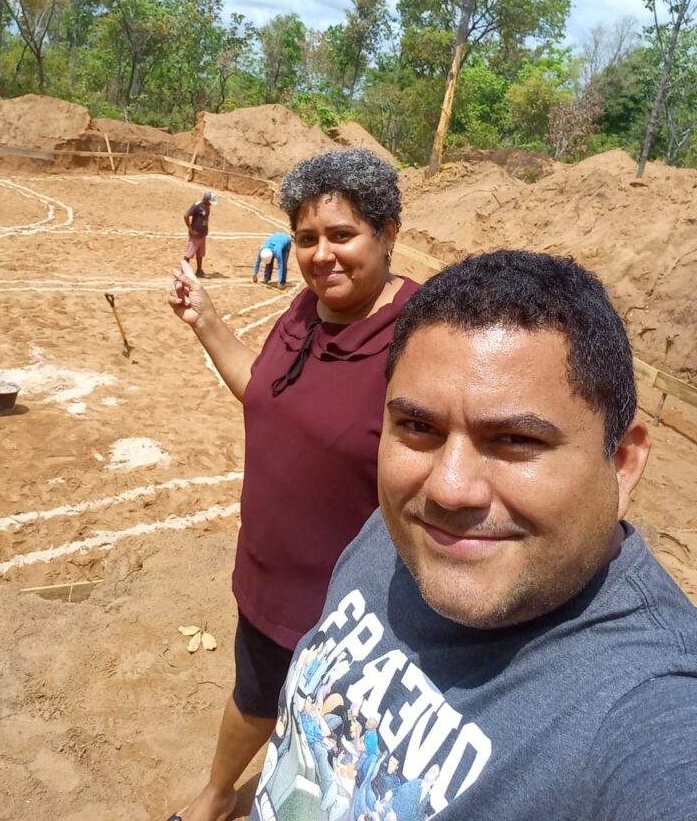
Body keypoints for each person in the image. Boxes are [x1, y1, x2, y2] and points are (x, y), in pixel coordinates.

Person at [252, 250, 697, 821]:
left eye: (514, 439)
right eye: (417, 427)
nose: (447, 487)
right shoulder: (406, 527)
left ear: (623, 462)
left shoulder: (650, 708)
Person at [166, 148, 420, 821]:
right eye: (307, 238)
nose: (321, 254)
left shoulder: (420, 337)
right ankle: (218, 797)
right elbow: (264, 393)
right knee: (255, 692)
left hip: (352, 607)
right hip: (269, 575)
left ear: (388, 233)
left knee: (337, 739)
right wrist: (207, 321)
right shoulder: (304, 311)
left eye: (342, 235)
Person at [184, 191, 216, 277]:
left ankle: (199, 271)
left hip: (202, 234)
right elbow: (186, 215)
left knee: (200, 254)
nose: (210, 204)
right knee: (189, 254)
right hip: (195, 234)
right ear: (205, 199)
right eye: (210, 202)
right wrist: (190, 229)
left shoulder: (207, 207)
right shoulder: (197, 205)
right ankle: (183, 272)